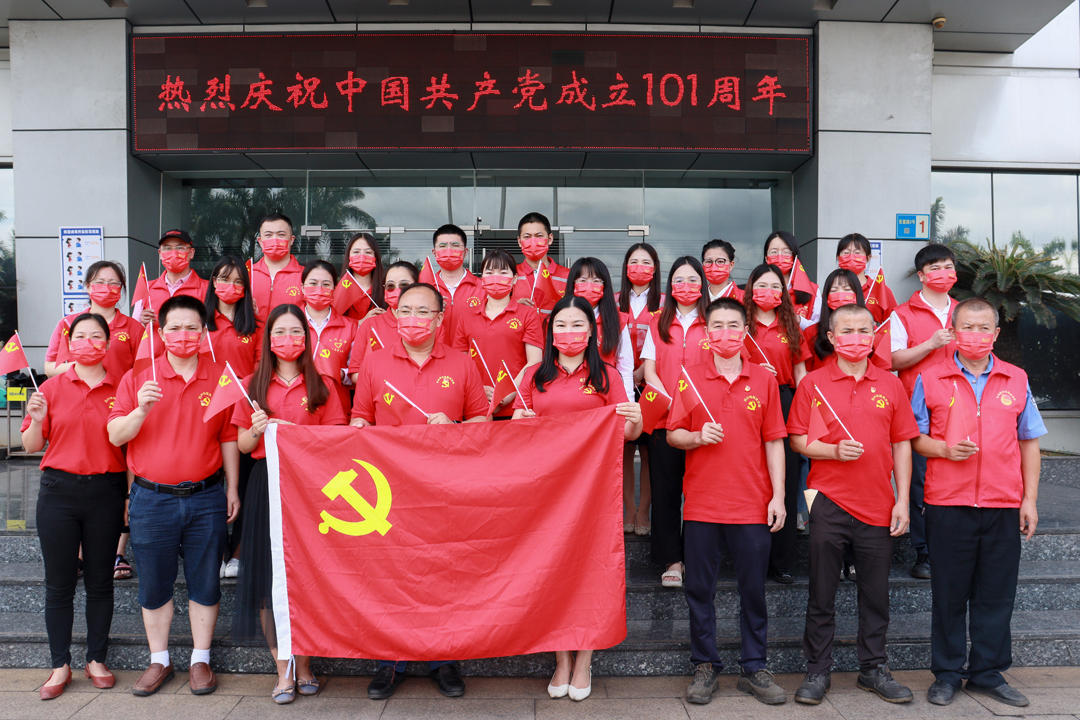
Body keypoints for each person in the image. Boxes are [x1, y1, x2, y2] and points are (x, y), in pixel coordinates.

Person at [351, 282, 489, 699]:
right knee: (390, 574)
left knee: (442, 573)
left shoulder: (462, 363)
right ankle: (389, 662)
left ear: (439, 318)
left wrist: (456, 427)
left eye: (423, 311)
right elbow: (360, 419)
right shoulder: (374, 362)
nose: (413, 319)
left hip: (444, 488)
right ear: (394, 315)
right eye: (405, 310)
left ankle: (443, 659)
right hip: (389, 490)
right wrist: (360, 431)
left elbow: (481, 422)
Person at [912, 298, 1046, 709]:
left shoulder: (1016, 378)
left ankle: (988, 673)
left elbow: (1029, 441)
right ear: (953, 331)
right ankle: (948, 674)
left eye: (984, 327)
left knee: (996, 595)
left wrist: (1029, 500)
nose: (976, 334)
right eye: (967, 327)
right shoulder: (931, 378)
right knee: (949, 594)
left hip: (1002, 504)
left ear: (996, 333)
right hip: (947, 503)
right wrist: (943, 449)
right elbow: (913, 438)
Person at [107, 295, 241, 697]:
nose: (183, 335)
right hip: (152, 499)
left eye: (192, 328)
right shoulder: (138, 376)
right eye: (175, 328)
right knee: (153, 584)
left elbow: (229, 436)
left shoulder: (220, 376)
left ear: (203, 332)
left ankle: (201, 659)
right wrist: (140, 410)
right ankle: (159, 660)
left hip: (206, 496)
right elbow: (115, 435)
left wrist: (233, 487)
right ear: (161, 333)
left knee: (205, 582)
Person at [513, 294, 643, 702]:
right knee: (550, 570)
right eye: (561, 325)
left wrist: (636, 421)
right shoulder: (533, 375)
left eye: (577, 325)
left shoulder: (607, 375)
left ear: (591, 332)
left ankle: (584, 658)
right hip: (544, 490)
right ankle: (561, 659)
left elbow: (626, 434)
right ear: (550, 332)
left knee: (590, 570)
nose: (568, 332)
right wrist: (519, 420)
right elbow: (516, 433)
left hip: (593, 491)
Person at [787, 304, 918, 705]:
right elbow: (797, 440)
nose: (856, 338)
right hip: (827, 501)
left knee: (876, 595)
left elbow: (902, 444)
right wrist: (831, 451)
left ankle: (873, 668)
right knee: (821, 593)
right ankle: (817, 670)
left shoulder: (890, 384)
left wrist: (903, 500)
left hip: (878, 504)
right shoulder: (813, 384)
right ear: (831, 337)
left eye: (864, 331)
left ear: (874, 336)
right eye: (847, 331)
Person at [666, 298, 787, 706]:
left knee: (753, 590)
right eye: (717, 325)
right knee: (700, 590)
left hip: (752, 503)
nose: (725, 333)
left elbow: (774, 441)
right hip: (702, 504)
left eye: (733, 325)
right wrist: (697, 437)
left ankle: (754, 667)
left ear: (745, 330)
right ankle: (705, 665)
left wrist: (779, 496)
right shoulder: (690, 377)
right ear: (706, 333)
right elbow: (673, 434)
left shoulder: (764, 379)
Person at [232, 304, 347, 704]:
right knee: (268, 580)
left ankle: (306, 664)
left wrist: (294, 432)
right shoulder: (251, 385)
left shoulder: (323, 385)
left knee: (306, 576)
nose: (287, 339)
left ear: (307, 337)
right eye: (279, 332)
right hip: (267, 483)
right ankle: (283, 668)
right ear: (268, 340)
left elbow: (337, 440)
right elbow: (242, 444)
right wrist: (256, 430)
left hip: (310, 486)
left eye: (295, 331)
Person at [22, 313, 127, 700]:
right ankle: (60, 664)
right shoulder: (50, 388)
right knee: (59, 584)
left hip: (106, 491)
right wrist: (36, 420)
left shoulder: (123, 386)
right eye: (80, 336)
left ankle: (96, 659)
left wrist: (129, 496)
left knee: (100, 582)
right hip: (59, 493)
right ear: (68, 344)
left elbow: (131, 446)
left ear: (108, 343)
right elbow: (32, 446)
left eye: (96, 336)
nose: (88, 342)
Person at [889, 243, 959, 581]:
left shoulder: (965, 312)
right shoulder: (902, 314)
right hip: (916, 410)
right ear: (921, 275)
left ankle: (954, 547)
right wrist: (931, 344)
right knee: (919, 480)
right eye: (935, 268)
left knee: (955, 474)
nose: (943, 273)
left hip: (959, 407)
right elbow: (892, 360)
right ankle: (924, 551)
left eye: (948, 267)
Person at [640, 256, 711, 588]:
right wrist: (667, 398)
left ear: (702, 284)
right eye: (679, 280)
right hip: (665, 418)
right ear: (670, 286)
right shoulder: (658, 321)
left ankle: (698, 555)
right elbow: (649, 369)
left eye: (693, 279)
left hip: (702, 421)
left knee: (700, 491)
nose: (686, 286)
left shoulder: (713, 320)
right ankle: (672, 559)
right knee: (666, 491)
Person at [745, 262, 811, 584]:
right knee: (752, 476)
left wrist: (806, 411)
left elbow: (801, 373)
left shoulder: (790, 325)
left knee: (784, 476)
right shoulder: (740, 324)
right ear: (750, 289)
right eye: (762, 285)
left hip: (785, 401)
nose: (768, 292)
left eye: (775, 286)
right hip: (746, 400)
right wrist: (755, 371)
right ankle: (751, 555)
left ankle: (782, 560)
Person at [203, 255, 261, 579]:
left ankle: (238, 551)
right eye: (224, 279)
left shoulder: (256, 325)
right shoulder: (200, 322)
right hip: (207, 410)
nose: (231, 286)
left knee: (245, 485)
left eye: (239, 281)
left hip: (243, 412)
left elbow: (261, 369)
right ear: (213, 282)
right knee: (212, 483)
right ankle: (216, 550)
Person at [451, 249, 543, 418]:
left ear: (514, 278)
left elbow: (535, 361)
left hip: (516, 406)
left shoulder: (528, 314)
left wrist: (507, 393)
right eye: (489, 272)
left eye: (503, 272)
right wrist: (479, 390)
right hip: (476, 407)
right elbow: (459, 363)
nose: (496, 277)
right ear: (482, 278)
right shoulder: (466, 318)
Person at [616, 243, 663, 536]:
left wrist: (642, 372)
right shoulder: (613, 301)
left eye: (646, 262)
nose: (639, 267)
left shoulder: (665, 302)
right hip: (619, 383)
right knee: (623, 449)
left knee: (648, 451)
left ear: (655, 268)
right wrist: (625, 376)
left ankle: (644, 510)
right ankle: (628, 509)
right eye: (634, 261)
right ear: (626, 267)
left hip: (652, 383)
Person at [44, 261, 143, 379]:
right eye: (99, 282)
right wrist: (83, 365)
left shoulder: (134, 327)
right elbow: (49, 368)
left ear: (120, 288)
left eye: (113, 283)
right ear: (88, 287)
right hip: (78, 390)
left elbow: (143, 370)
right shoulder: (68, 323)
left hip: (119, 390)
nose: (106, 287)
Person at [348, 261, 447, 376]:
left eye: (404, 285)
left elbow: (443, 368)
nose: (397, 291)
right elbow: (355, 372)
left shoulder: (433, 324)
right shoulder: (369, 325)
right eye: (390, 286)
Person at [567, 257, 634, 399]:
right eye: (582, 280)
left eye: (596, 281)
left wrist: (628, 401)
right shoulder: (559, 320)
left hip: (606, 394)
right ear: (573, 284)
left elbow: (625, 366)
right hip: (569, 396)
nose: (589, 286)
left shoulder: (617, 320)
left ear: (605, 286)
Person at [300, 260, 356, 411]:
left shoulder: (350, 327)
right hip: (295, 406)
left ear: (334, 289)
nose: (319, 289)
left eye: (326, 284)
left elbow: (358, 372)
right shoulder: (288, 323)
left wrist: (340, 374)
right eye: (313, 283)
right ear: (302, 287)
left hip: (336, 407)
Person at [135, 230, 209, 325]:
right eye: (167, 248)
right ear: (160, 253)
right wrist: (143, 323)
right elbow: (134, 329)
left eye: (180, 247)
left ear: (191, 253)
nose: (173, 253)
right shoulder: (146, 288)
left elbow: (214, 328)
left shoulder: (208, 289)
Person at [802, 269, 865, 373]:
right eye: (834, 290)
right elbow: (805, 373)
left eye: (847, 289)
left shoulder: (871, 333)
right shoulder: (811, 332)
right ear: (826, 297)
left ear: (857, 294)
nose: (840, 295)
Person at [249, 212, 303, 324]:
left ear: (291, 240)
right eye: (268, 235)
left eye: (281, 235)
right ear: (260, 241)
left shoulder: (306, 276)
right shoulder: (247, 274)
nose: (274, 240)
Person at [429, 223, 482, 337]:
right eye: (442, 246)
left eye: (455, 245)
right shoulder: (425, 289)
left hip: (470, 348)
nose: (449, 250)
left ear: (465, 252)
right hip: (435, 348)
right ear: (434, 253)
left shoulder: (483, 288)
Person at [512, 212, 569, 314]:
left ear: (550, 239)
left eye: (539, 236)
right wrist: (514, 306)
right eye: (527, 237)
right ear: (519, 241)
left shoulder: (568, 276)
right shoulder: (510, 274)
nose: (533, 241)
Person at [835, 233, 896, 324]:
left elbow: (894, 323)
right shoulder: (832, 289)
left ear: (868, 258)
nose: (852, 257)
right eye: (846, 253)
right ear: (839, 257)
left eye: (857, 253)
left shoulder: (881, 290)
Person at [763, 231, 817, 326]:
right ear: (766, 258)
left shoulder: (812, 290)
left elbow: (818, 328)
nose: (780, 257)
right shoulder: (756, 289)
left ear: (794, 257)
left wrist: (798, 320)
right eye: (774, 252)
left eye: (786, 252)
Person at [339, 232, 386, 322]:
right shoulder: (339, 291)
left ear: (375, 257)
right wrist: (361, 323)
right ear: (348, 256)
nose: (362, 257)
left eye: (368, 252)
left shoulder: (386, 290)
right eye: (356, 252)